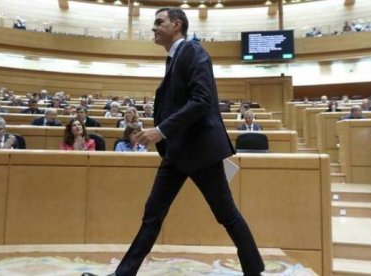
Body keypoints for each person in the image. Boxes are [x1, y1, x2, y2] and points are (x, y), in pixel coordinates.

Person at [83, 7, 264, 276]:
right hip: (177, 154)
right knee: (152, 215)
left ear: (177, 25)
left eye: (159, 22)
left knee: (226, 215)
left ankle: (254, 270)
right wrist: (165, 134)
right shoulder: (174, 57)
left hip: (201, 152)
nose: (153, 28)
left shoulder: (192, 51)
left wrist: (161, 130)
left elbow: (202, 100)